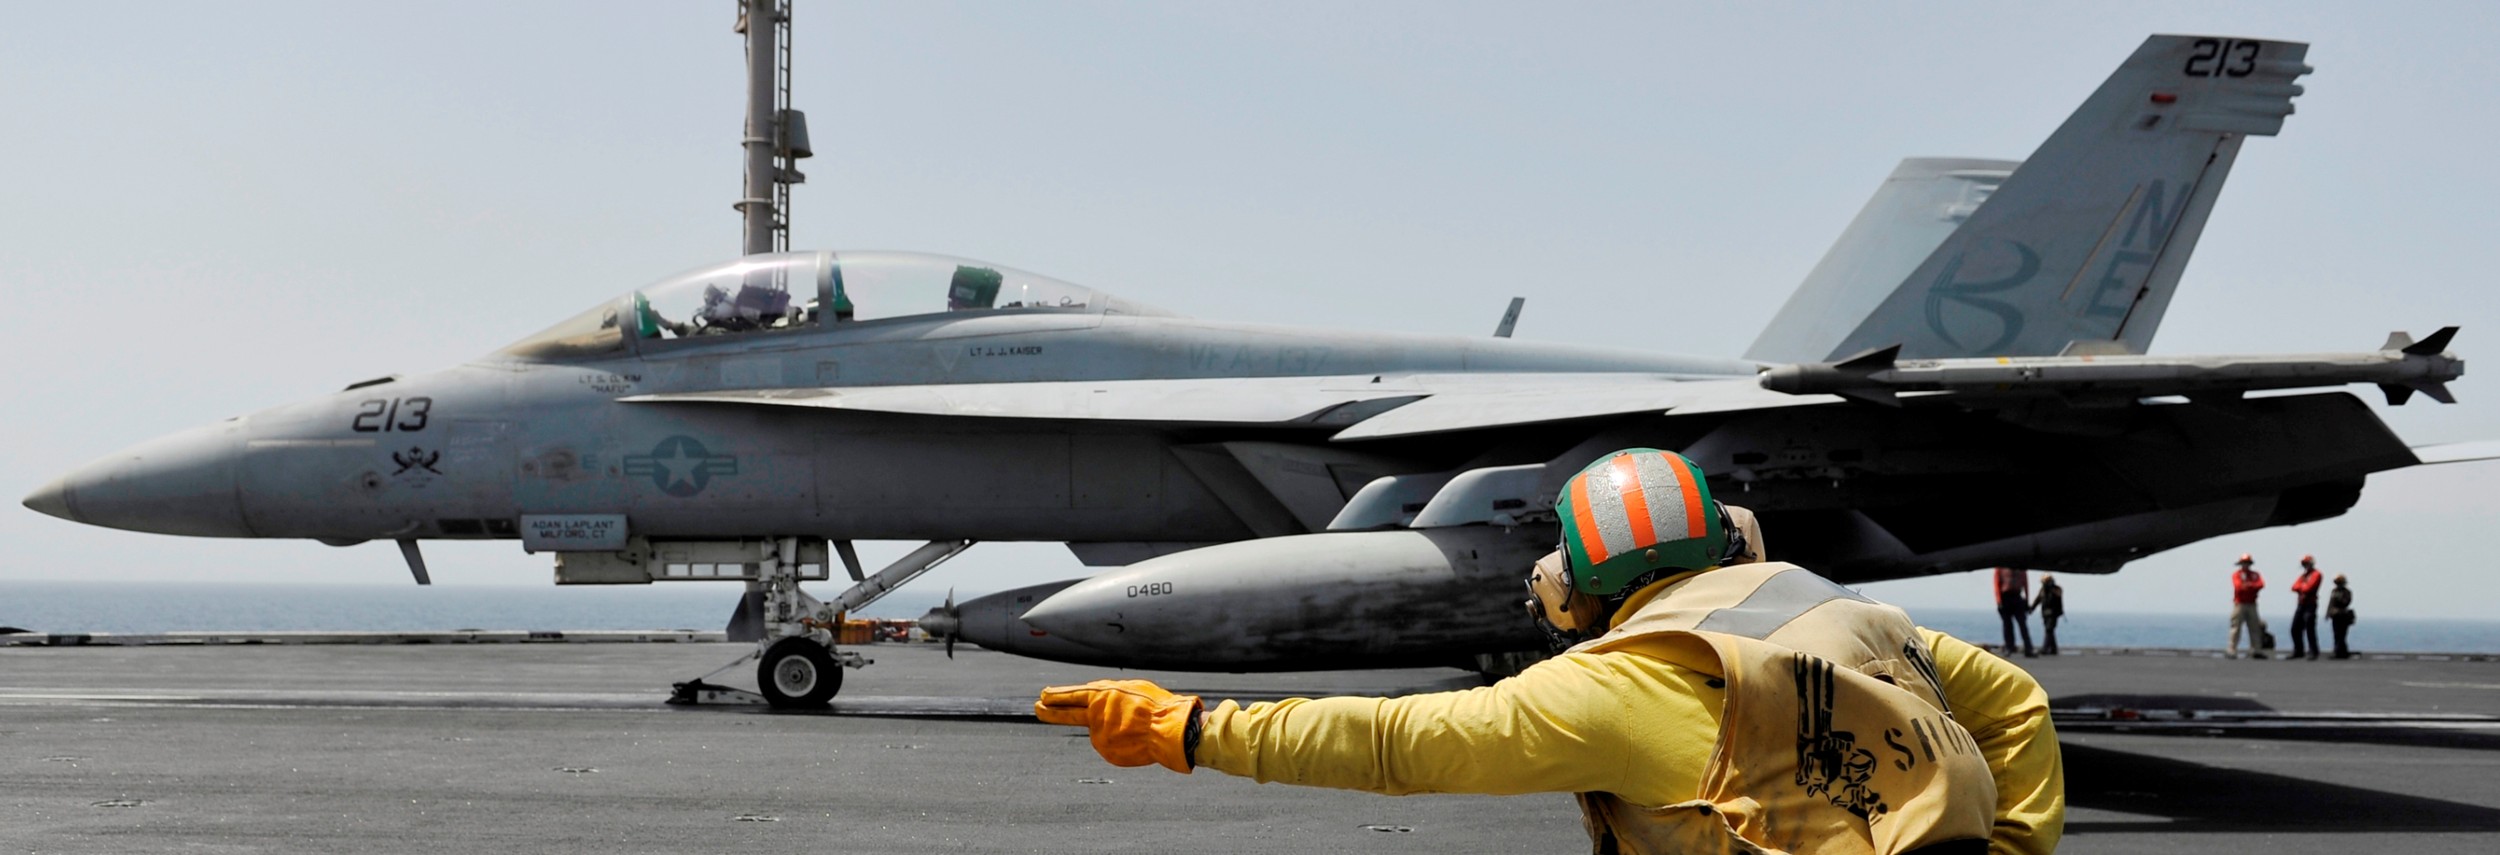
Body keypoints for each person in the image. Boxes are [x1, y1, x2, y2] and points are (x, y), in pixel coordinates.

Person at [1038, 449, 2063, 855]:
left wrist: (1192, 724)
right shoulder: (1843, 611)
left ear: (1577, 578)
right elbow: (2015, 698)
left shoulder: (1614, 689)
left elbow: (1395, 744)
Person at [2228, 554, 2269, 660]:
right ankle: (2232, 649)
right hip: (2240, 603)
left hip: (2252, 604)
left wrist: (2247, 585)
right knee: (2236, 627)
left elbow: (2261, 585)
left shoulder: (2255, 575)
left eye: (2247, 563)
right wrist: (2252, 586)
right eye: (2244, 563)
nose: (2245, 565)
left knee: (2255, 627)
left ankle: (2256, 649)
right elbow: (2239, 587)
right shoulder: (2236, 574)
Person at [2289, 555, 2324, 661]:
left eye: (2307, 563)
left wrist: (2302, 587)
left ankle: (2313, 651)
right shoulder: (2303, 576)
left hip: (2310, 604)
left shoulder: (2316, 574)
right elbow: (2294, 587)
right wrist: (2302, 587)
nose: (2305, 566)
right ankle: (2298, 650)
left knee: (2310, 627)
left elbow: (2309, 588)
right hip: (2301, 604)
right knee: (2295, 628)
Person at [1994, 567, 2035, 658]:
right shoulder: (2000, 568)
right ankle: (2009, 647)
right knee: (2007, 625)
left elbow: (2025, 583)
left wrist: (2027, 600)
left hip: (2017, 597)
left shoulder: (2021, 567)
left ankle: (2028, 648)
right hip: (2005, 598)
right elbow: (1997, 584)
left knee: (2022, 624)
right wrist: (1999, 601)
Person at [2032, 575, 2064, 656]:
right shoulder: (2043, 590)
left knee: (2049, 629)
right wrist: (2031, 609)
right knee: (2050, 631)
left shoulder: (2056, 589)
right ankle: (2053, 648)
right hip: (2045, 613)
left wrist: (2050, 588)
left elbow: (2058, 595)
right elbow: (2038, 599)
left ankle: (2045, 648)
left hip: (2053, 613)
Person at [2328, 573, 2356, 659]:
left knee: (2342, 635)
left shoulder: (2347, 592)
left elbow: (2346, 602)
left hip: (2343, 616)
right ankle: (2338, 651)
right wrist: (2328, 613)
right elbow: (2330, 603)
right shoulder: (2334, 591)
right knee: (2336, 634)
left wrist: (2339, 599)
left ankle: (2342, 652)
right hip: (2335, 615)